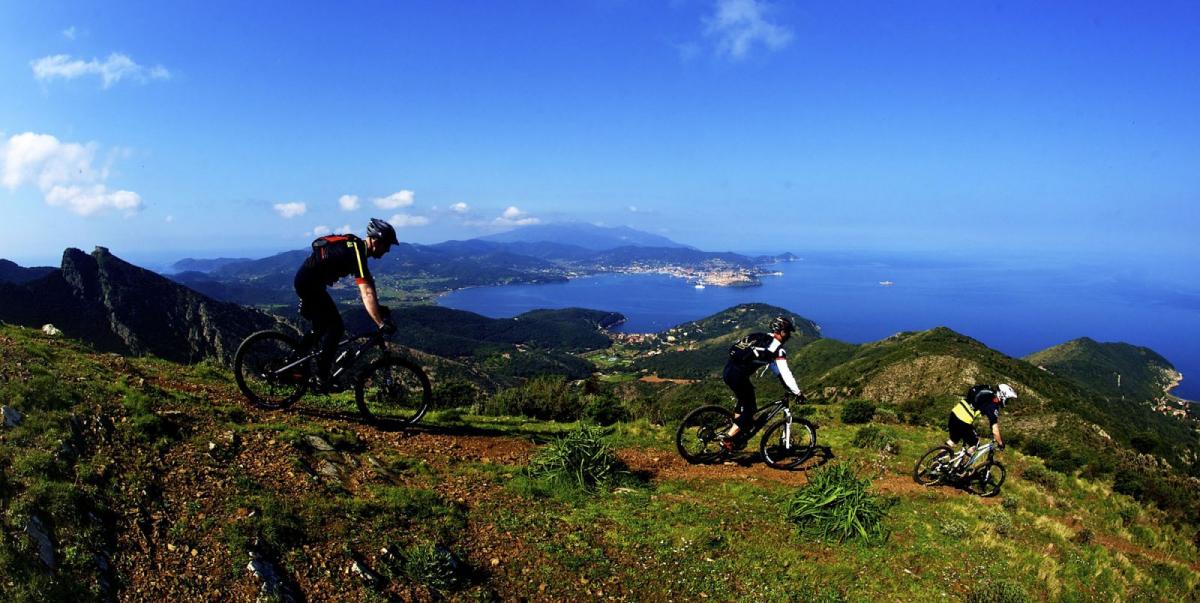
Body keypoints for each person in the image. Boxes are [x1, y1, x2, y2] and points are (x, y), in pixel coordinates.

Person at [294, 218, 399, 390]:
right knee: (336, 327)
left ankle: (297, 361)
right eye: (386, 245)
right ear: (375, 240)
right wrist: (380, 323)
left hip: (309, 283)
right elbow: (366, 292)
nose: (387, 250)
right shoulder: (356, 251)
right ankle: (322, 377)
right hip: (309, 285)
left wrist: (378, 309)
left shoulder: (357, 249)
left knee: (322, 327)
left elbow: (369, 283)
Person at [720, 316, 805, 452]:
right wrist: (797, 392)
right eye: (788, 332)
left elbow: (775, 368)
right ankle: (728, 438)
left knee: (744, 398)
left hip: (728, 371)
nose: (789, 335)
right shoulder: (776, 349)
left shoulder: (760, 337)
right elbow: (786, 373)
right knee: (751, 409)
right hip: (739, 376)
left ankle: (737, 433)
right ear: (782, 332)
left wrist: (784, 383)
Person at [946, 383, 1017, 470]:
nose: (1007, 402)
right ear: (1003, 395)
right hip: (964, 420)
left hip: (955, 412)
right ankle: (960, 469)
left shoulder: (988, 391)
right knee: (975, 444)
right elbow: (994, 429)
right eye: (1008, 400)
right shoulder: (993, 404)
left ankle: (937, 462)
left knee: (953, 440)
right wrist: (1000, 443)